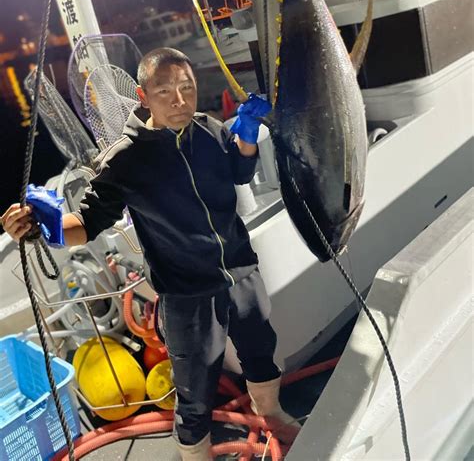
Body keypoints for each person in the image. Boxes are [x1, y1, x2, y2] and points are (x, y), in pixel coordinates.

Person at [1, 47, 298, 461]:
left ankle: (271, 412)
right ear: (142, 96)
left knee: (260, 349)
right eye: (165, 91)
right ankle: (195, 454)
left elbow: (240, 173)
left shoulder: (210, 130)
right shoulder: (126, 159)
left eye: (187, 88)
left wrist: (246, 135)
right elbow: (88, 222)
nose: (179, 100)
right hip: (187, 293)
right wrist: (42, 227)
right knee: (194, 388)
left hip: (241, 273)